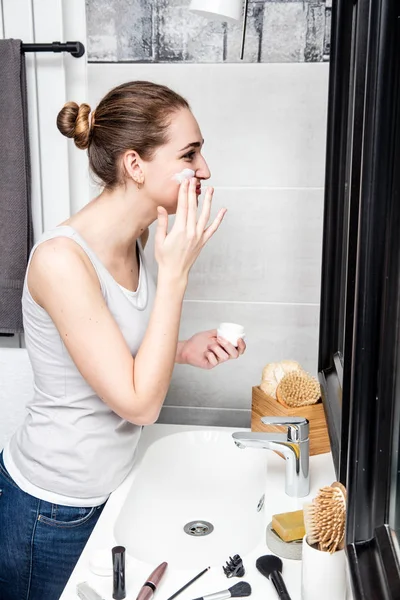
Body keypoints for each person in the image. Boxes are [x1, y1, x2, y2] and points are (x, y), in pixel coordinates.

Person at [0, 80, 246, 600]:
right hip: (54, 509)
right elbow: (139, 405)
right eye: (190, 153)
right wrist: (175, 276)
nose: (204, 169)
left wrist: (182, 350)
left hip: (109, 488)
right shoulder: (61, 261)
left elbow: (112, 355)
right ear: (135, 164)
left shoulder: (137, 237)